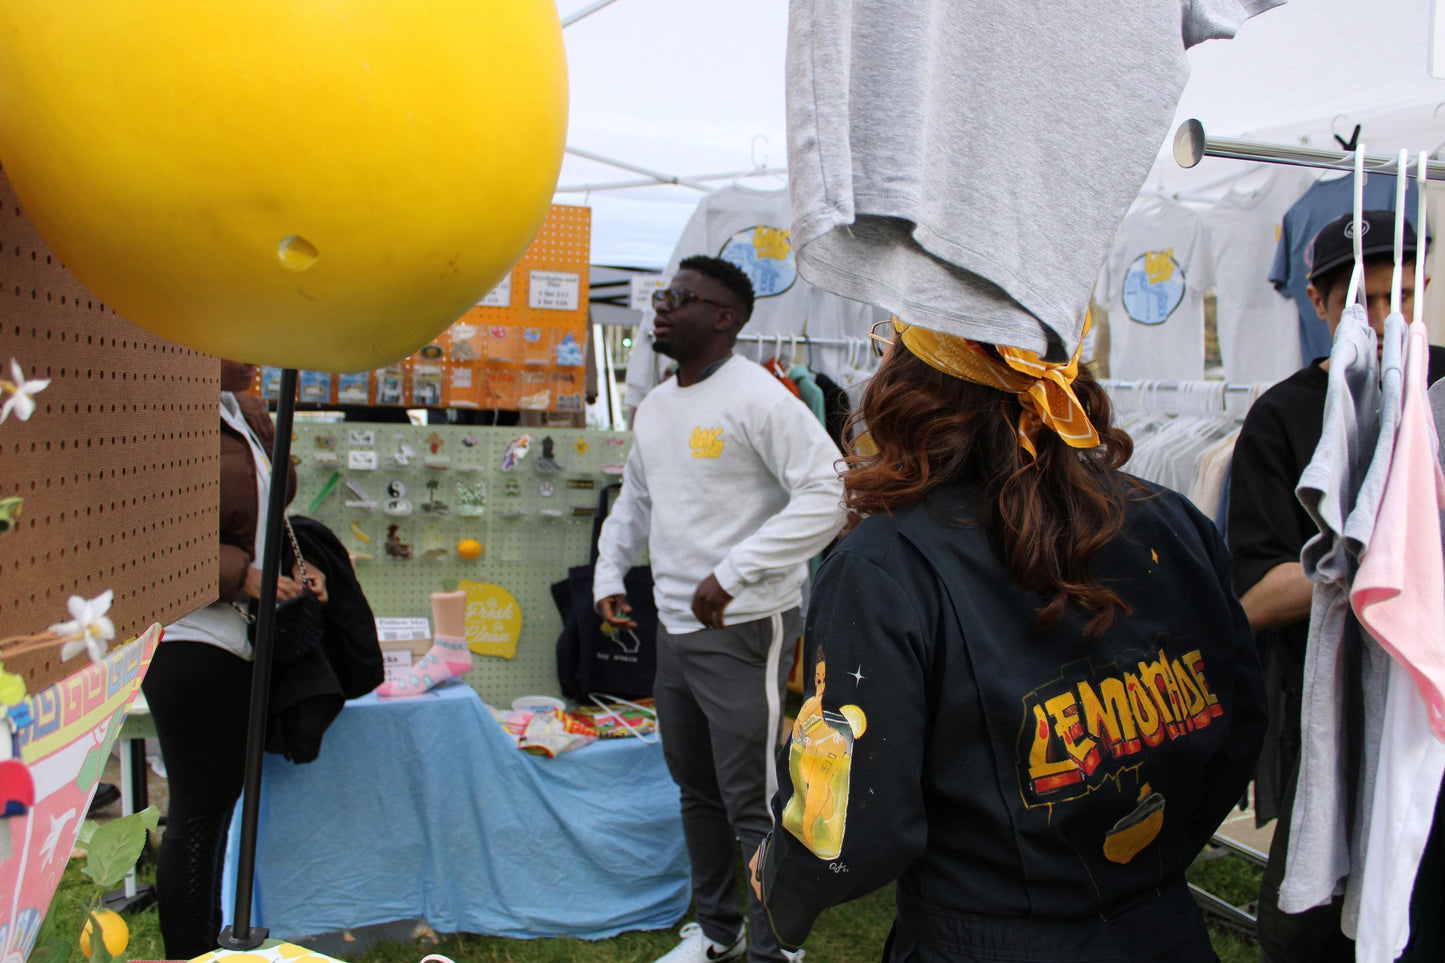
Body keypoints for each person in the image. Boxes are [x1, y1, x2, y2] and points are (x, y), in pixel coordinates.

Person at [751, 317, 1267, 962]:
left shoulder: (883, 565)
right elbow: (1238, 719)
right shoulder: (1167, 517)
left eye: (887, 346)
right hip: (1160, 924)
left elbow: (851, 825)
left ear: (910, 383)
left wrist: (778, 879)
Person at [593, 254, 844, 963]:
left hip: (745, 626)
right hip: (674, 627)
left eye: (680, 297)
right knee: (696, 789)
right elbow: (635, 501)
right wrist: (609, 572)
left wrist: (735, 571)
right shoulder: (658, 405)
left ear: (724, 317)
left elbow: (830, 493)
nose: (660, 307)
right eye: (661, 295)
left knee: (754, 798)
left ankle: (776, 946)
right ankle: (717, 930)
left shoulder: (761, 399)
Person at [1228, 210, 1439, 963]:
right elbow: (1252, 595)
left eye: (1404, 296)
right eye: (1364, 302)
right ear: (1318, 304)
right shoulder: (1281, 418)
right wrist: (1373, 563)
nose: (1385, 321)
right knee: (1309, 928)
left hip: (1431, 725)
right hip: (1330, 726)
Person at [142, 359, 315, 958]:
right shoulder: (166, 409)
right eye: (239, 340)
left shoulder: (241, 410)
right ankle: (187, 951)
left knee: (215, 810)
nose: (255, 353)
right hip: (192, 633)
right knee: (197, 811)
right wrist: (242, 575)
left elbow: (275, 504)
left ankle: (208, 942)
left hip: (237, 634)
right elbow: (151, 526)